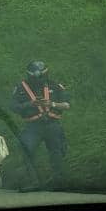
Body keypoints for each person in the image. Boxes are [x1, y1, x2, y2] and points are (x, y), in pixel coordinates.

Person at [11, 60, 71, 191]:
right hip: (33, 126)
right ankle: (33, 182)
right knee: (26, 151)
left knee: (57, 152)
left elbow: (67, 105)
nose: (37, 79)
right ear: (29, 75)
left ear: (46, 74)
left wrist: (52, 104)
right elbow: (13, 107)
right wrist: (30, 104)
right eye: (34, 77)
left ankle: (58, 182)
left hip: (52, 124)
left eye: (41, 76)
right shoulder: (21, 88)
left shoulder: (55, 85)